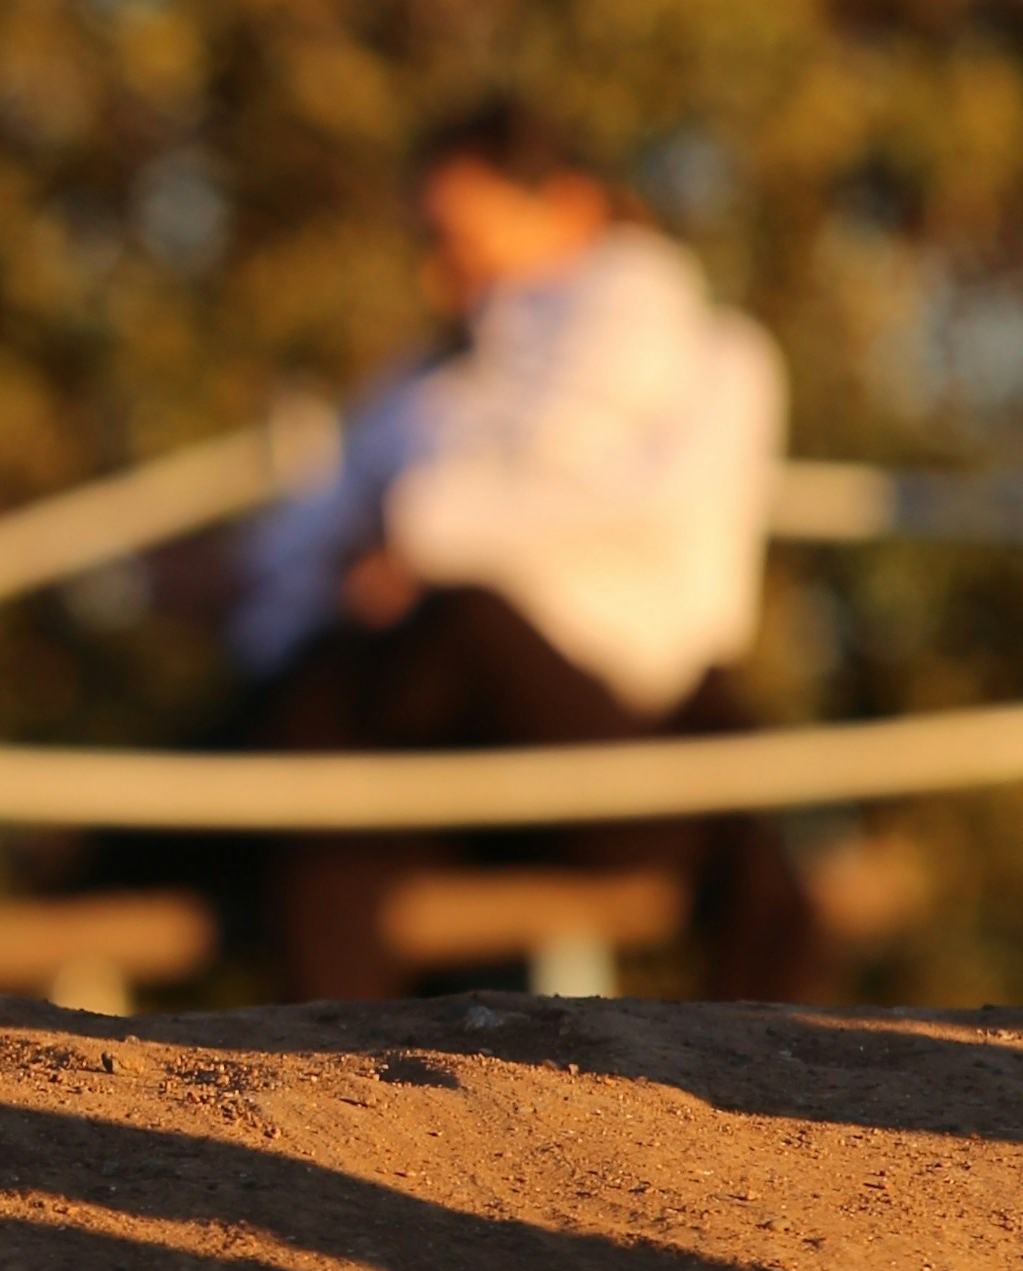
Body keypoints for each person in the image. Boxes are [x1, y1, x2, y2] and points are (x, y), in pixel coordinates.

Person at [228, 98, 819, 998]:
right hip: (473, 735)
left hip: (630, 729)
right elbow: (328, 535)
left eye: (457, 237)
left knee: (434, 639)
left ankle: (157, 820)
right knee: (332, 830)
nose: (440, 275)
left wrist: (417, 536)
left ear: (570, 209)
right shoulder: (444, 379)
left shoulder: (704, 352)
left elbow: (643, 523)